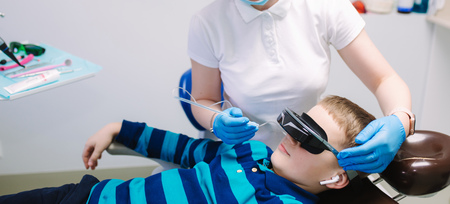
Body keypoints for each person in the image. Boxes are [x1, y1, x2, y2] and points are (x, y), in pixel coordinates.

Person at [188, 0, 414, 174]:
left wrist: (400, 120)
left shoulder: (324, 4)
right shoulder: (208, 23)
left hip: (302, 165)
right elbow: (202, 98)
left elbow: (383, 80)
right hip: (238, 162)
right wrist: (216, 121)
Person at [0, 95, 375, 204]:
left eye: (310, 139)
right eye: (295, 125)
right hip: (87, 194)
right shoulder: (252, 151)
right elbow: (181, 149)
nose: (292, 138)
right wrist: (119, 128)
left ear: (336, 176)